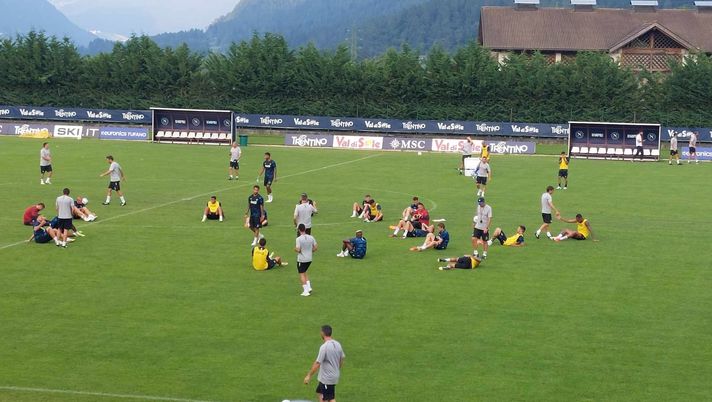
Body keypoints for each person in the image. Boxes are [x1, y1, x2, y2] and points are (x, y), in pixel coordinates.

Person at [304, 325, 345, 402]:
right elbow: (342, 358)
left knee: (330, 398)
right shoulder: (337, 344)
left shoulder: (324, 347)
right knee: (319, 392)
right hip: (331, 376)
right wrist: (336, 368)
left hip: (327, 378)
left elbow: (317, 363)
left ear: (322, 333)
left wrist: (309, 376)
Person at [295, 224, 317, 296]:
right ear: (305, 229)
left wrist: (295, 249)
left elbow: (298, 249)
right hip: (309, 259)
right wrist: (310, 251)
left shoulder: (298, 239)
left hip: (302, 259)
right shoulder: (311, 237)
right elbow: (315, 247)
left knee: (301, 274)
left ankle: (305, 291)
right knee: (305, 272)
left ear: (299, 230)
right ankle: (309, 287)